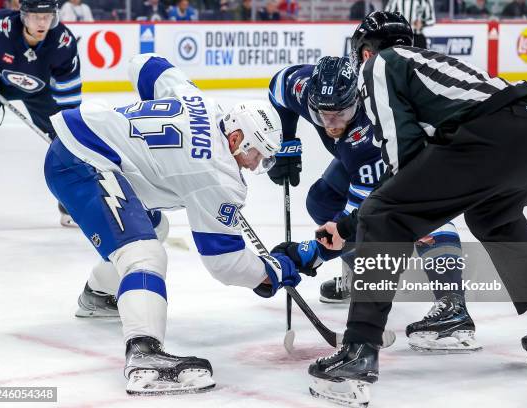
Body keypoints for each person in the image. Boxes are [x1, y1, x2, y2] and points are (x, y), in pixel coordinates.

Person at [309, 11, 527, 407]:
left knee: (383, 214)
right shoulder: (429, 66)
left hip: (495, 138)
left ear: (366, 51)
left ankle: (358, 351)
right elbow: (433, 175)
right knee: (494, 218)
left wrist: (367, 219)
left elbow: (402, 161)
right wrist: (351, 224)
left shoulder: (383, 64)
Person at [44, 52, 320, 394]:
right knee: (144, 256)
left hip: (85, 141)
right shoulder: (217, 177)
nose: (254, 165)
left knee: (154, 229)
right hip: (83, 163)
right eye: (256, 154)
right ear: (236, 139)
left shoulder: (200, 99)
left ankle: (99, 295)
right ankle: (143, 354)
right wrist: (272, 272)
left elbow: (144, 64)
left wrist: (151, 133)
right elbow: (224, 262)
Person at [269, 56, 480, 353]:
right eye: (323, 114)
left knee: (421, 215)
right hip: (366, 156)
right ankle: (361, 277)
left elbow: (360, 220)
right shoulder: (305, 90)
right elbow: (278, 85)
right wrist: (287, 143)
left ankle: (453, 308)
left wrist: (309, 254)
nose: (331, 123)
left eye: (340, 113)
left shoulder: (368, 134)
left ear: (357, 100)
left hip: (427, 156)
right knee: (322, 199)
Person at [0, 0, 81, 227]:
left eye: (48, 16)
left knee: (68, 141)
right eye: (37, 16)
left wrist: (69, 127)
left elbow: (69, 94)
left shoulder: (63, 42)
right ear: (23, 15)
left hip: (40, 90)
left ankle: (71, 205)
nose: (43, 22)